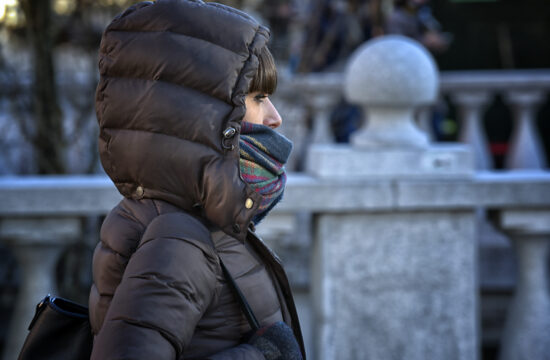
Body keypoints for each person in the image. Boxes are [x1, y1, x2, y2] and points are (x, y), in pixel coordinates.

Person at [89, 1, 305, 359]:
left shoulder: (199, 217)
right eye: (258, 98)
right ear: (201, 117)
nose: (275, 117)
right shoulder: (180, 238)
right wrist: (262, 356)